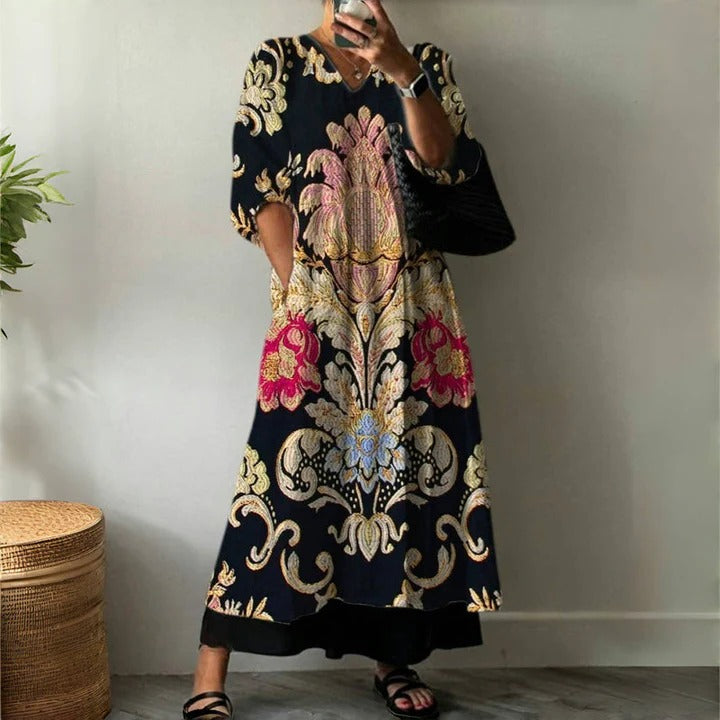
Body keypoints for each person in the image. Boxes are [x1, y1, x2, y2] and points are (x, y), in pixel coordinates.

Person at [182, 1, 503, 718]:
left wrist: (402, 70)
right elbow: (257, 188)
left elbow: (444, 164)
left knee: (399, 482)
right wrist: (303, 294)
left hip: (411, 307)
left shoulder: (427, 64)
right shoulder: (278, 62)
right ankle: (209, 666)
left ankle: (392, 657)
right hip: (315, 306)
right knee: (276, 479)